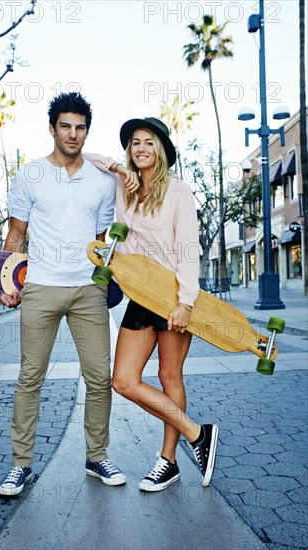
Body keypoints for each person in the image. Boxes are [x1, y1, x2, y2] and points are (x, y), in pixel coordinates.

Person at [0, 92, 138, 496]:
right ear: (52, 129)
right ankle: (20, 465)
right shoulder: (30, 174)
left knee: (99, 377)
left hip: (88, 290)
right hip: (40, 287)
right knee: (30, 378)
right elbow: (16, 234)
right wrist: (9, 283)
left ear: (86, 131)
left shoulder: (102, 180)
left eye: (80, 127)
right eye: (65, 126)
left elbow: (102, 240)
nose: (72, 134)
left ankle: (97, 456)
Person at [86, 117, 219, 491]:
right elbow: (88, 156)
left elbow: (189, 250)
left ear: (159, 149)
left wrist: (186, 302)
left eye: (148, 142)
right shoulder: (122, 186)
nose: (140, 148)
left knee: (168, 377)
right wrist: (117, 168)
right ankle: (198, 434)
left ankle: (168, 461)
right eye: (134, 143)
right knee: (124, 380)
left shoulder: (179, 191)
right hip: (141, 296)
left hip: (173, 295)